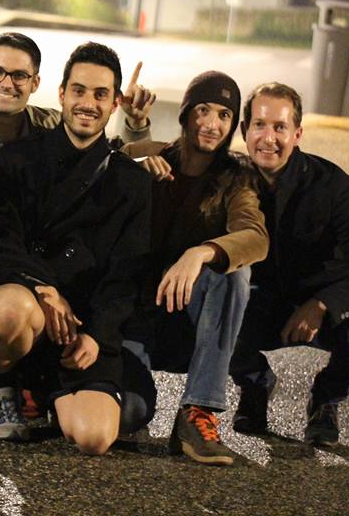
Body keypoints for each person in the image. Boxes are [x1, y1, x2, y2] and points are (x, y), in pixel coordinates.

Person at [0, 42, 152, 455]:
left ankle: (46, 392)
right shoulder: (16, 158)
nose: (88, 103)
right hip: (27, 303)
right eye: (79, 90)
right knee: (9, 313)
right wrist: (44, 287)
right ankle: (4, 387)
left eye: (100, 94)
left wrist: (97, 335)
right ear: (61, 94)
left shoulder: (132, 182)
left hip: (81, 325)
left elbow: (127, 274)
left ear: (115, 103)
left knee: (94, 439)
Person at [229, 82, 349, 445]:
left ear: (298, 134)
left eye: (280, 127)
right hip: (259, 305)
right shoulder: (229, 180)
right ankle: (255, 384)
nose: (268, 138)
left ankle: (326, 397)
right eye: (259, 125)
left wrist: (322, 305)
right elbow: (175, 161)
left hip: (326, 308)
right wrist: (137, 125)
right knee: (206, 307)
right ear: (244, 131)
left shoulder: (333, 187)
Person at [123, 71, 269, 466]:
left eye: (224, 115)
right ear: (186, 114)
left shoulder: (236, 179)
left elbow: (255, 236)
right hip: (137, 317)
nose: (211, 124)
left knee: (233, 274)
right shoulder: (148, 156)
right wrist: (135, 160)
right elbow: (102, 165)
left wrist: (201, 252)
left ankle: (198, 412)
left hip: (189, 321)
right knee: (129, 415)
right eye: (203, 110)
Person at [0, 31, 154, 261]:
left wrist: (136, 123)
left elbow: (107, 153)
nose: (6, 83)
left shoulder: (51, 123)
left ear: (35, 83)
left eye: (19, 75)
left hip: (35, 258)